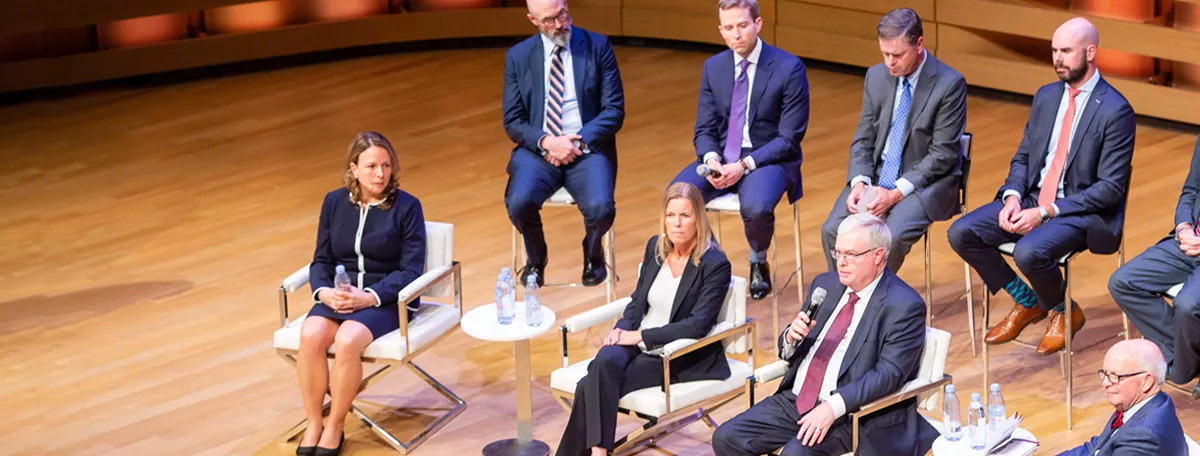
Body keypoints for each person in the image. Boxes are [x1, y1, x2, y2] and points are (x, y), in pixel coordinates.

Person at [947, 17, 1135, 355]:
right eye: (1053, 50)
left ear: (1090, 52)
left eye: (1066, 51)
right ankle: (1028, 300)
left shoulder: (1115, 110)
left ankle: (1065, 311)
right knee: (962, 232)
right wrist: (1013, 197)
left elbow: (1110, 188)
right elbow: (1023, 158)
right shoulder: (1047, 96)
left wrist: (1046, 211)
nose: (1057, 58)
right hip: (1033, 197)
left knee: (1029, 251)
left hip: (1079, 210)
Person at [712, 214, 937, 456]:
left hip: (852, 413)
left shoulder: (904, 305)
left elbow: (888, 375)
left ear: (878, 255)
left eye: (851, 255)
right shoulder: (826, 285)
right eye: (837, 253)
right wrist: (791, 338)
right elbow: (791, 350)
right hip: (796, 400)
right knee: (727, 438)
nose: (841, 262)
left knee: (796, 455)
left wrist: (833, 406)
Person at [556, 182, 733, 456]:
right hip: (636, 342)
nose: (676, 223)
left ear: (699, 218)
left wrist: (639, 336)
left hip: (676, 355)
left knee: (588, 385)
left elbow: (698, 325)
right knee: (603, 362)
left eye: (685, 216)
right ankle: (600, 453)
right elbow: (637, 301)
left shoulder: (715, 264)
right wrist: (620, 330)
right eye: (670, 215)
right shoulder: (656, 247)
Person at [295, 132, 427, 456]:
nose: (380, 174)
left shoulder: (408, 207)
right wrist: (324, 292)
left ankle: (335, 426)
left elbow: (411, 271)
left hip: (386, 298)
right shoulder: (333, 202)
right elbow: (321, 260)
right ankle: (314, 422)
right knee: (311, 333)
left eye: (385, 165)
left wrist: (369, 296)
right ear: (353, 169)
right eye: (371, 166)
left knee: (348, 339)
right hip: (340, 296)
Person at [668, 0, 809, 300]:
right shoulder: (714, 67)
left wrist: (744, 165)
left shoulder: (789, 68)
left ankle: (758, 260)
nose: (736, 35)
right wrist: (711, 158)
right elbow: (704, 128)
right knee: (679, 196)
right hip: (723, 156)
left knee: (756, 208)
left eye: (742, 26)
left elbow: (789, 138)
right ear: (721, 31)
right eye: (729, 28)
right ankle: (710, 260)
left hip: (768, 157)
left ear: (757, 24)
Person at [821, 7, 967, 273]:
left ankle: (875, 307)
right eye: (885, 54)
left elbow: (943, 155)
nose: (890, 62)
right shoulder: (876, 77)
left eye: (897, 55)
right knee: (833, 230)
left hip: (923, 184)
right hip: (876, 177)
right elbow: (863, 138)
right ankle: (846, 303)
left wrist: (895, 193)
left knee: (890, 238)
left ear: (919, 44)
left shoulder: (949, 84)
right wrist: (860, 181)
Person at [503, 0, 625, 287]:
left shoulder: (598, 46)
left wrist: (573, 144)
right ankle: (536, 258)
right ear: (533, 20)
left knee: (601, 208)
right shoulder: (518, 57)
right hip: (539, 150)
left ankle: (593, 253)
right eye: (549, 20)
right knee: (519, 203)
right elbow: (513, 120)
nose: (559, 25)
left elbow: (613, 110)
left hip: (587, 147)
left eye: (562, 15)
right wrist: (547, 142)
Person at [1109, 136, 1200, 399]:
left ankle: (1183, 368)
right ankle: (1186, 359)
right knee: (1124, 282)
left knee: (1188, 305)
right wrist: (1183, 227)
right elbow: (1191, 191)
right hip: (1188, 240)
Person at [1058, 340, 1187, 456]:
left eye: (1115, 376)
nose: (1105, 383)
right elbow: (1096, 447)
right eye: (1105, 374)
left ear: (1146, 381)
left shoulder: (1142, 437)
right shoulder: (1149, 403)